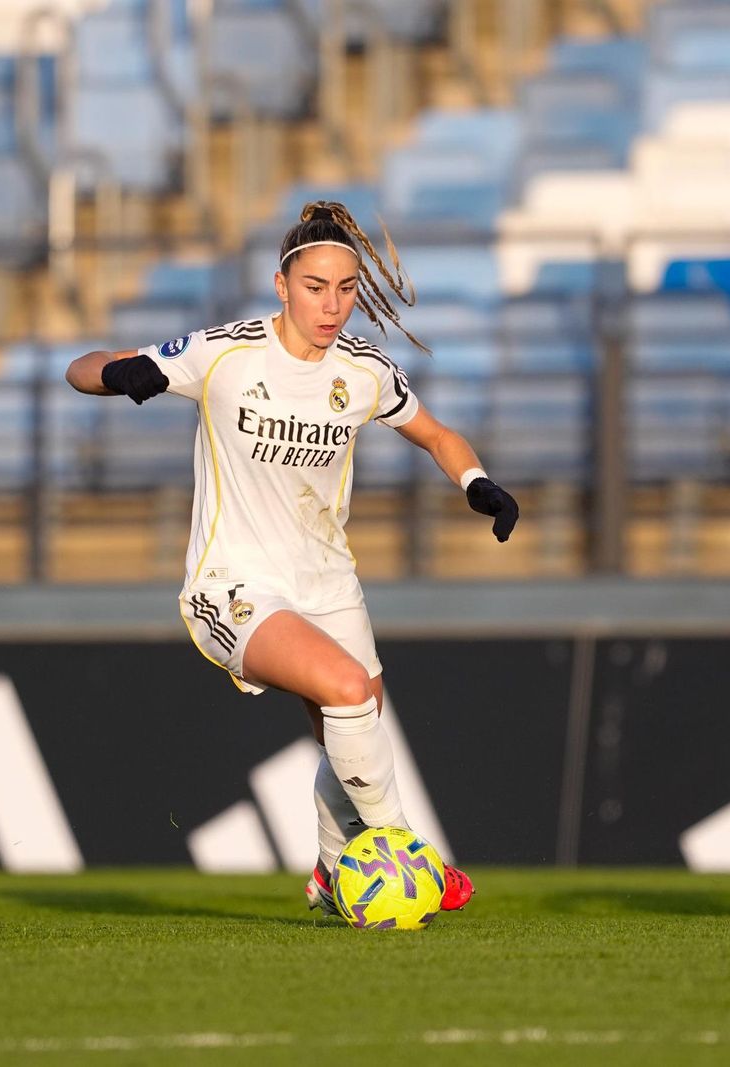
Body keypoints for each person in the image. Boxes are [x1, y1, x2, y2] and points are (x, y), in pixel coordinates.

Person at [66, 202, 518, 914]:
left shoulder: (364, 371)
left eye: (345, 288)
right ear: (282, 285)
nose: (331, 304)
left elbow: (435, 434)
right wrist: (122, 373)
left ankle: (333, 869)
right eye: (315, 287)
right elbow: (79, 367)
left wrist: (476, 482)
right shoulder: (226, 353)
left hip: (328, 582)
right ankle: (410, 852)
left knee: (356, 722)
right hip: (234, 583)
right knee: (347, 690)